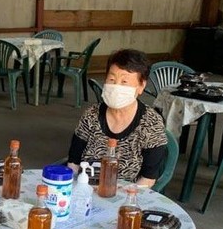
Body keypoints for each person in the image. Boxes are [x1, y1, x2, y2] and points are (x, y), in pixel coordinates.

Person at [67, 48, 168, 188]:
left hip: (127, 195)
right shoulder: (91, 115)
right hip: (86, 189)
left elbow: (148, 179)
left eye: (124, 81)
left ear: (141, 86)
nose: (116, 86)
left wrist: (120, 199)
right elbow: (73, 162)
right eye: (111, 79)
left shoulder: (151, 123)